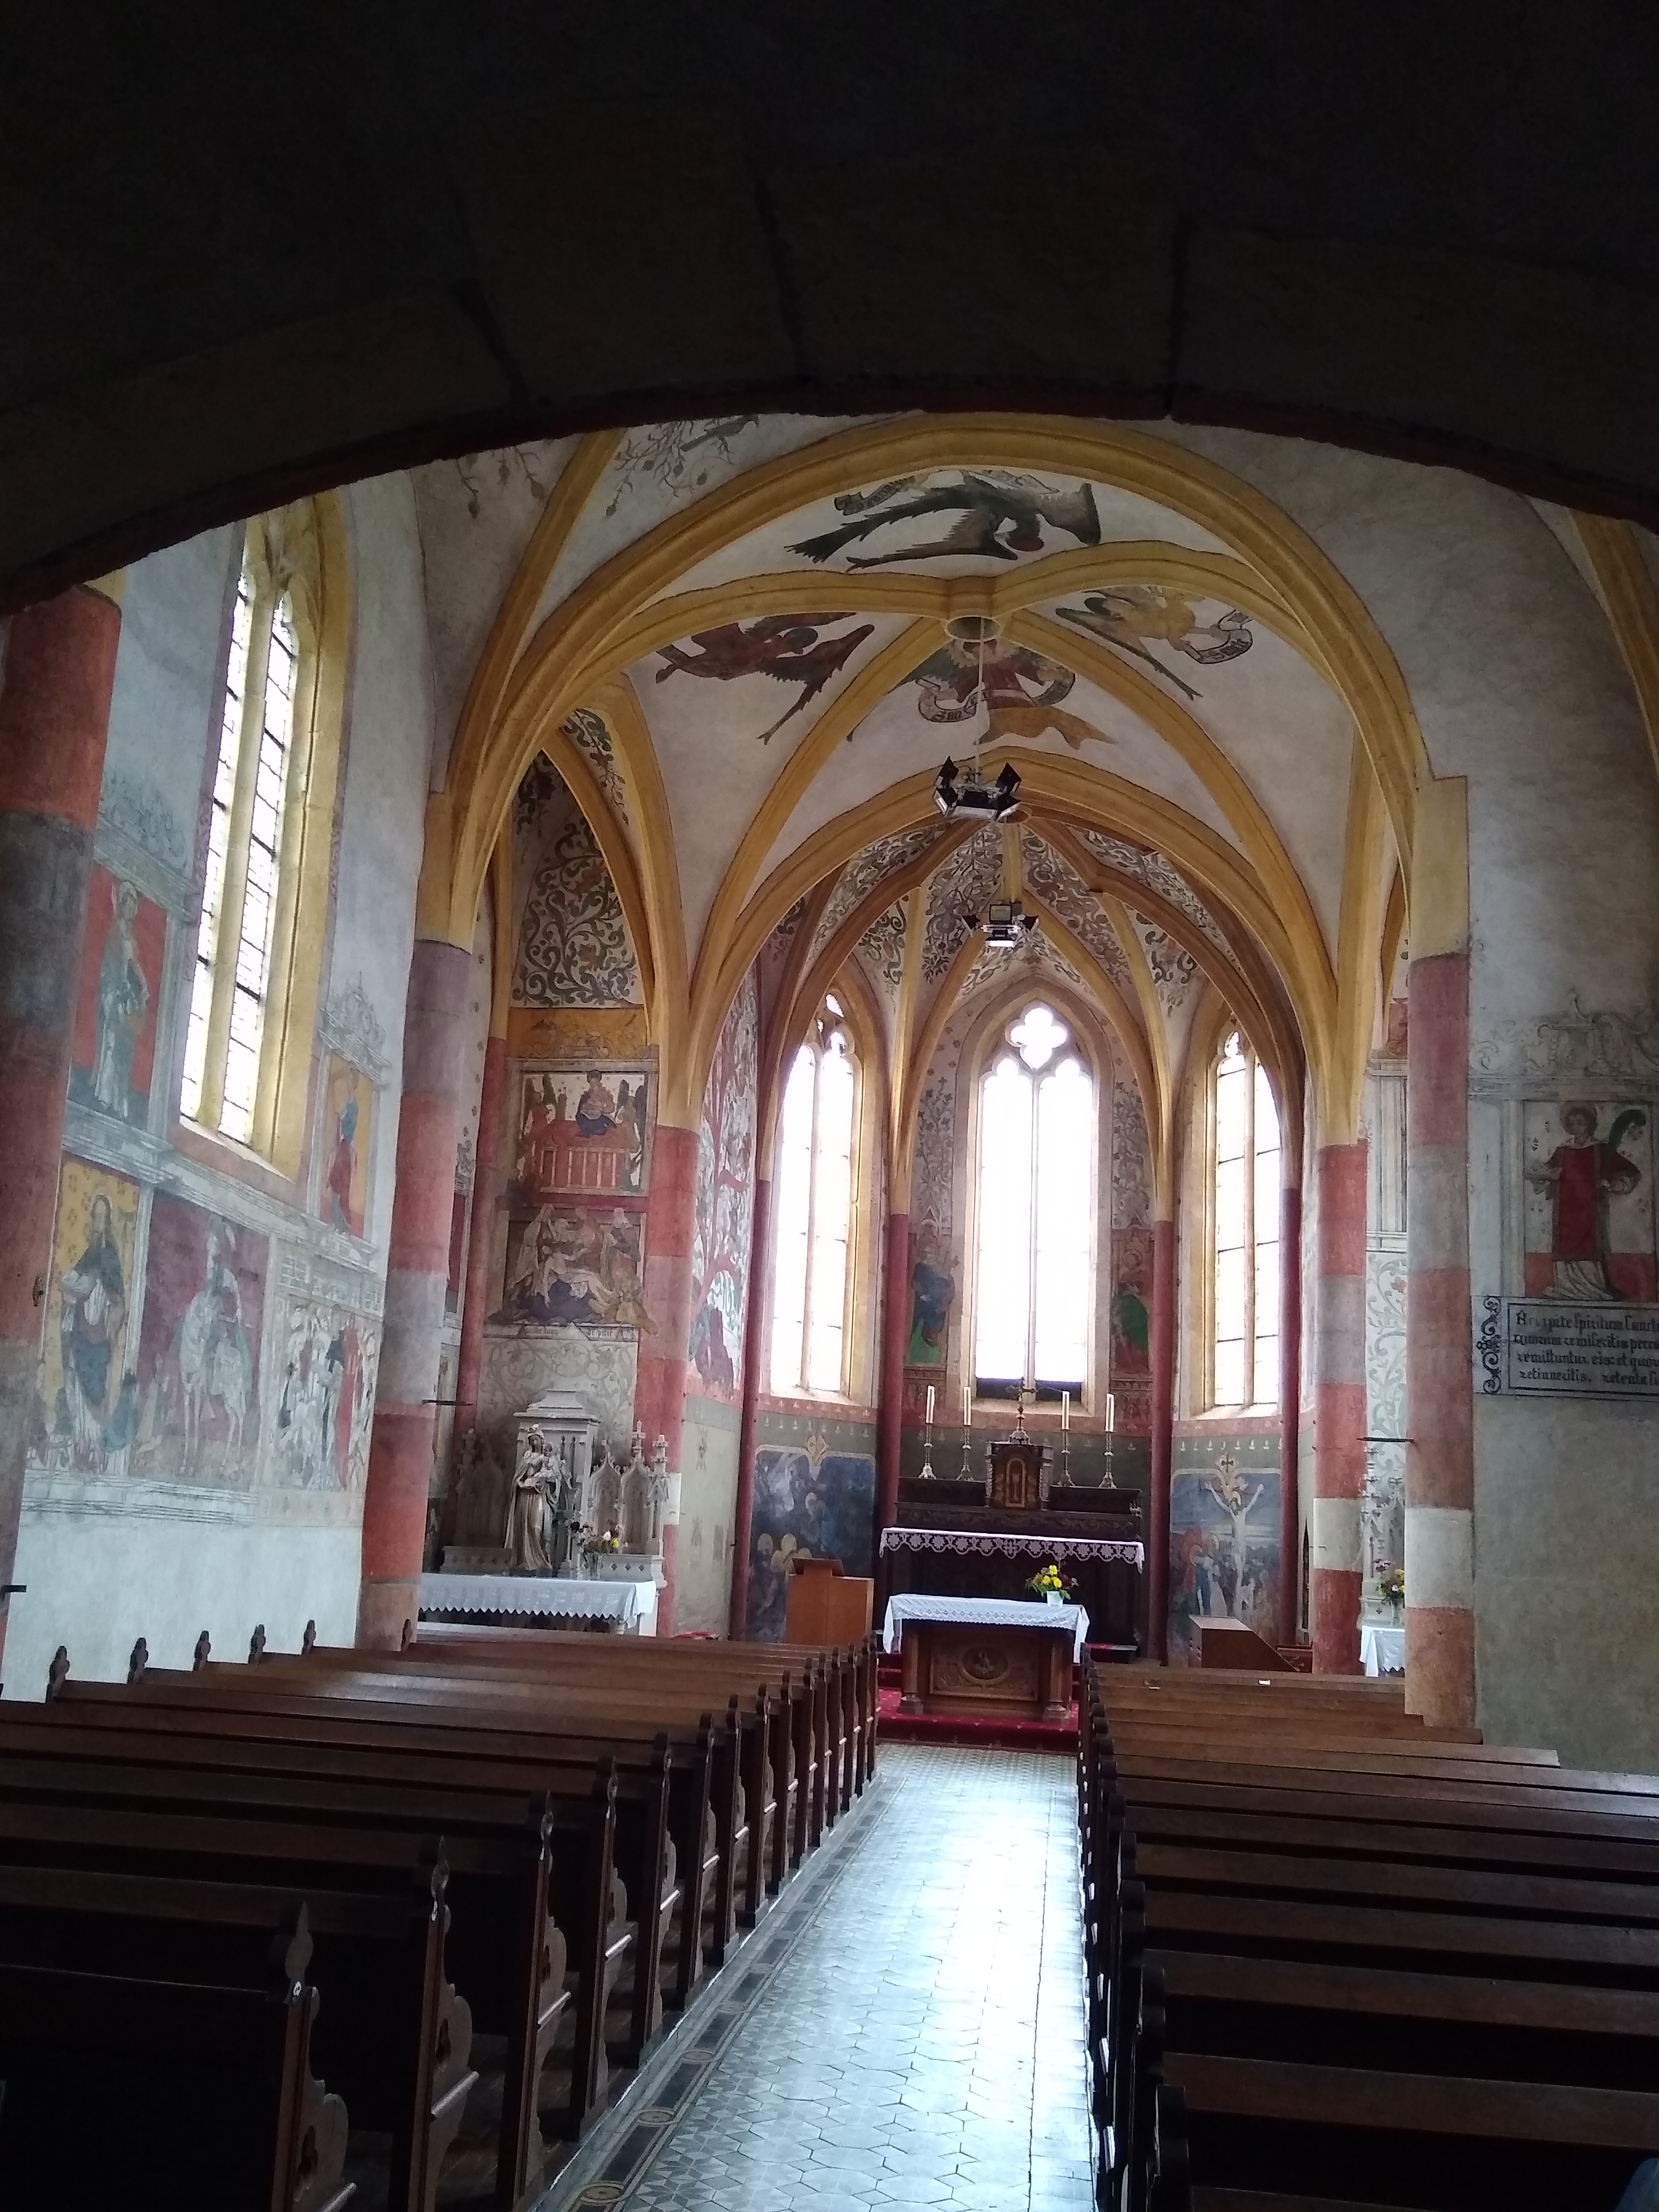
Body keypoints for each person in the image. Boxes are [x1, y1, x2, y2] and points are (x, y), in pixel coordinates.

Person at [1527, 1101, 1645, 1299]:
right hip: (1565, 1207)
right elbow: (1545, 1172)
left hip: (1589, 1205)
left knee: (1589, 1244)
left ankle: (1592, 1288)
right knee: (1565, 1244)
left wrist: (1611, 1184)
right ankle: (1566, 1287)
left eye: (1580, 1122)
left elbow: (1630, 1172)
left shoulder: (1600, 1149)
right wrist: (1547, 1175)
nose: (1576, 1127)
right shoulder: (1563, 1150)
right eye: (1572, 1123)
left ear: (1590, 1124)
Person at [59, 1192, 126, 1463]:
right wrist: (74, 1290)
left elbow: (118, 1298)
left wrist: (111, 1320)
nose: (97, 1222)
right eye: (95, 1216)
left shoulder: (109, 1256)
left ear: (107, 1220)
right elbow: (71, 1280)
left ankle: (96, 1452)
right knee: (76, 1388)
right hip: (81, 1333)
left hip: (98, 1339)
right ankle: (81, 1448)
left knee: (96, 1392)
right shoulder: (90, 1253)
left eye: (102, 1217)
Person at [91, 880, 150, 1120]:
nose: (132, 908)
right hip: (113, 995)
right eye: (128, 903)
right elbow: (110, 968)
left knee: (124, 1050)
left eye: (135, 904)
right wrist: (117, 989)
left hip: (127, 999)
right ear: (122, 905)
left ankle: (118, 1101)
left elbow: (134, 967)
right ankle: (105, 1097)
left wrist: (142, 989)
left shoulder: (132, 940)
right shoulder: (115, 934)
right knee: (111, 1045)